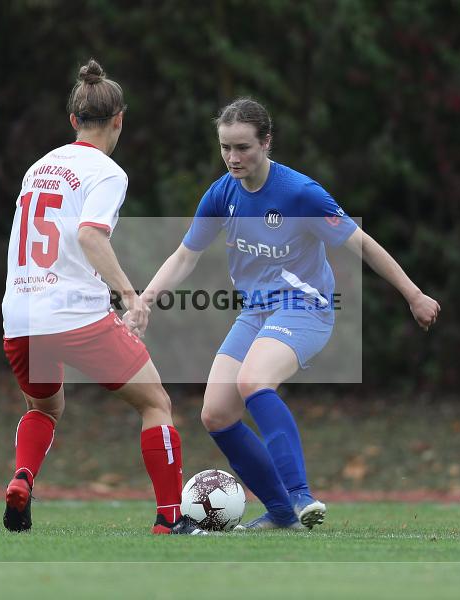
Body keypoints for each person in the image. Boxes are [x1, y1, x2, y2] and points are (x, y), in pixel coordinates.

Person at [135, 98, 441, 530]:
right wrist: (146, 298)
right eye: (225, 148)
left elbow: (362, 244)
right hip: (256, 313)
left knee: (253, 380)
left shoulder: (300, 194)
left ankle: (298, 496)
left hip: (306, 308)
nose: (233, 158)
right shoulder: (222, 193)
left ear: (267, 142)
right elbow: (186, 255)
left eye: (243, 147)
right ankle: (281, 513)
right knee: (216, 414)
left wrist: (414, 294)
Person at [0, 59, 205, 535]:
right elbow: (92, 236)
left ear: (73, 120)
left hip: (21, 315)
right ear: (119, 120)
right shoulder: (107, 172)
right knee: (155, 403)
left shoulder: (39, 167)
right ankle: (169, 520)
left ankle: (23, 477)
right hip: (73, 313)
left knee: (44, 409)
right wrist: (130, 295)